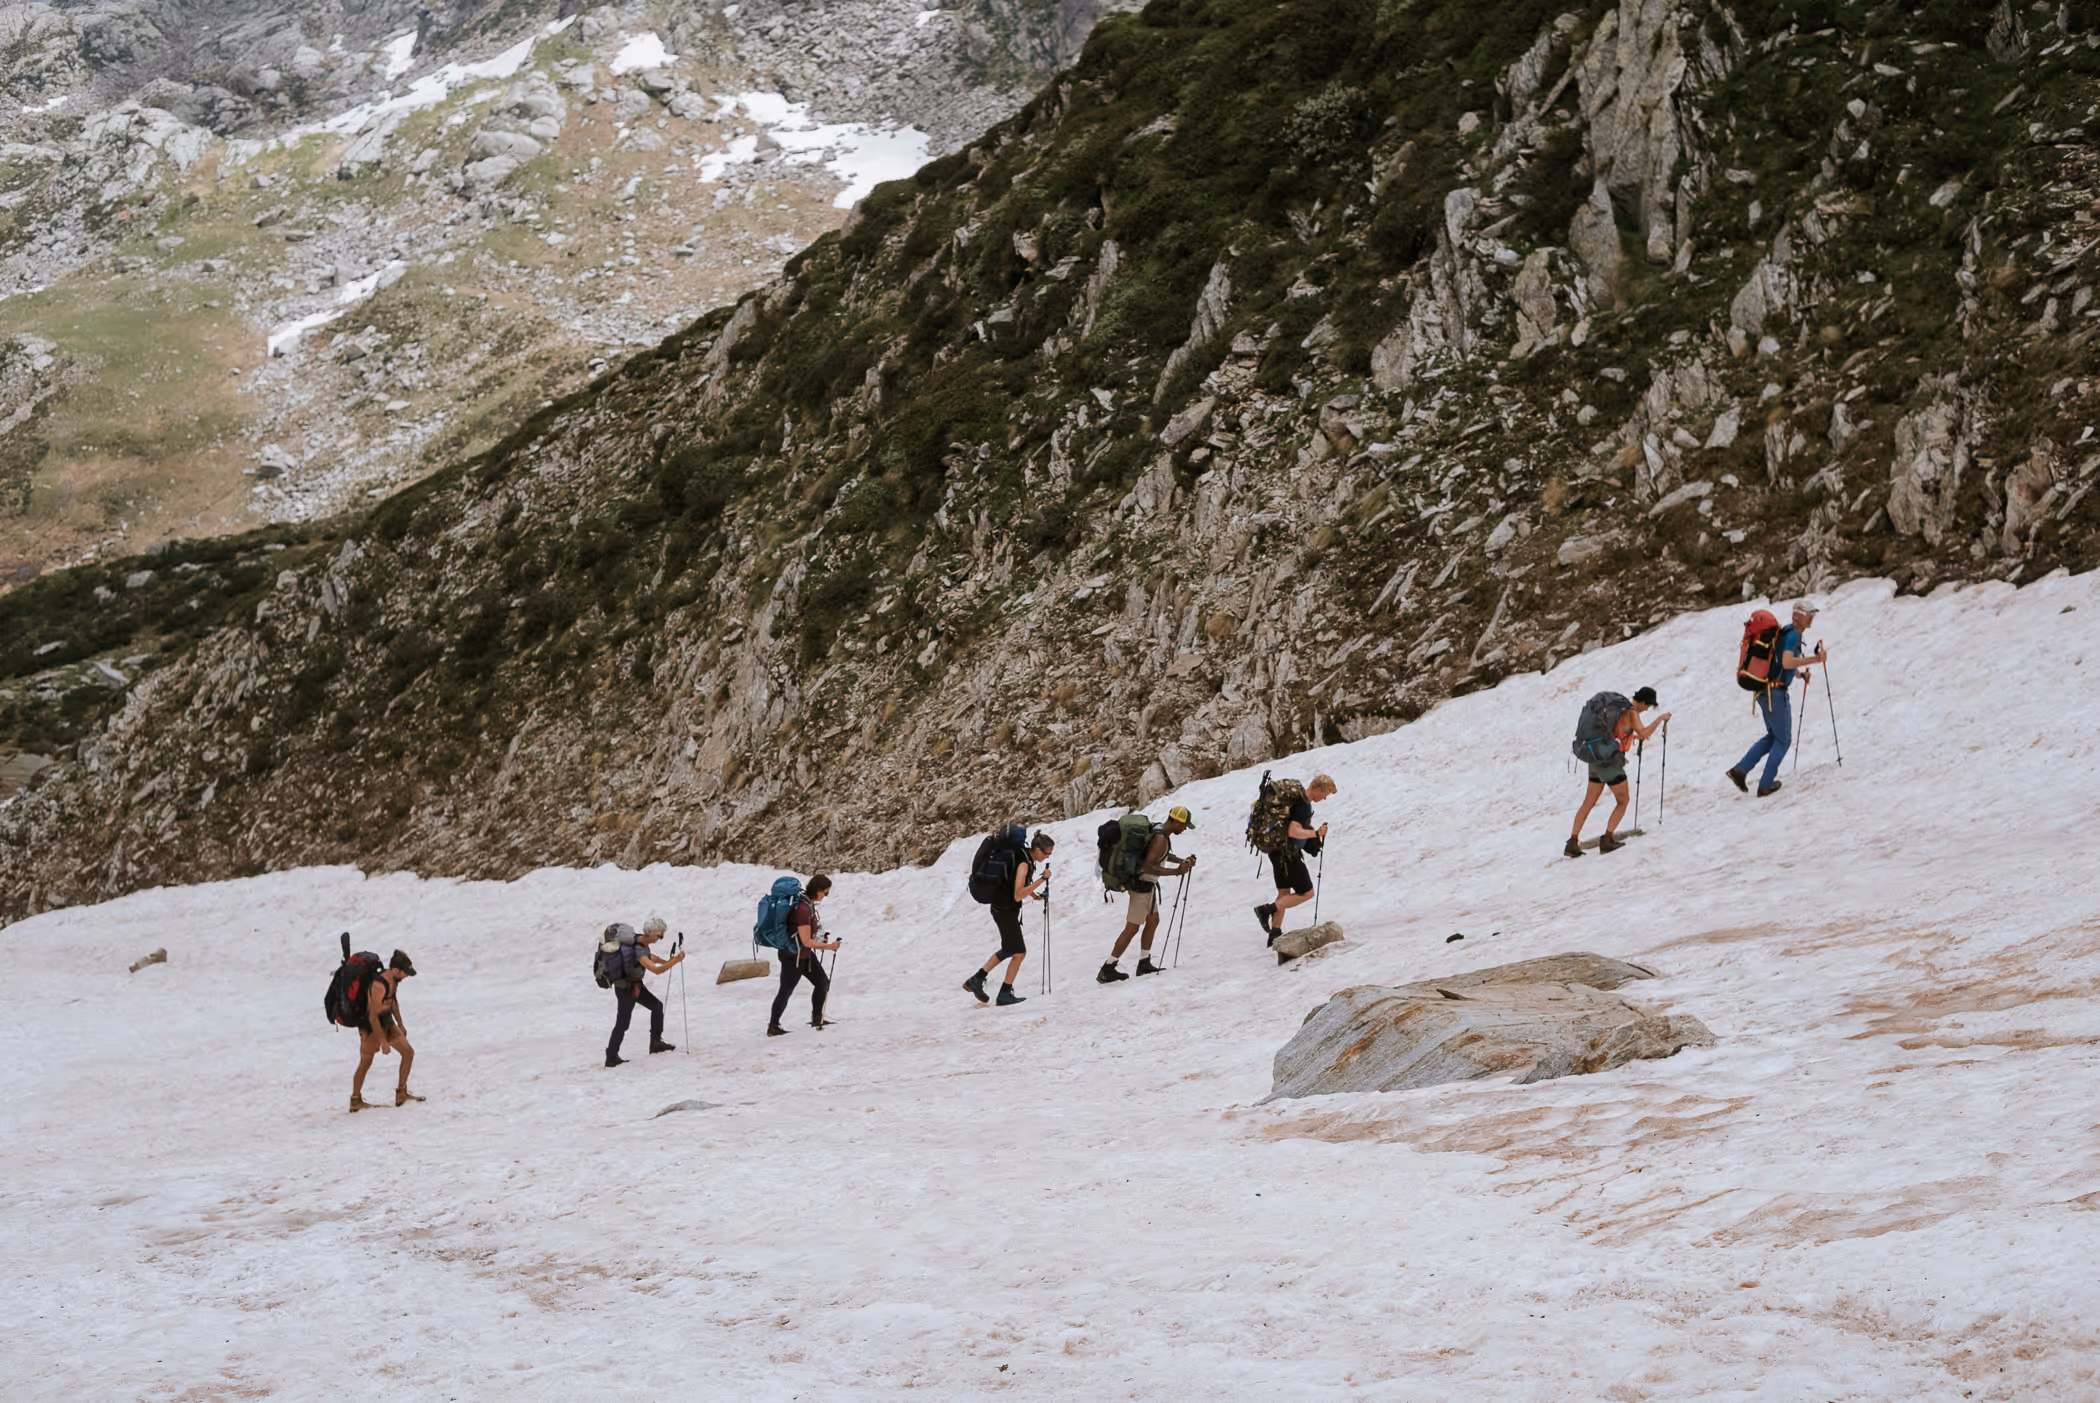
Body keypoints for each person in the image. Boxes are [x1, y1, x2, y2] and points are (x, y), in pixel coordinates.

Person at [1727, 600, 1826, 798]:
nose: (1811, 617)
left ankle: (1740, 770)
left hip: (1766, 691)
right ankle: (1765, 784)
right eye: (1808, 614)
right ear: (1797, 615)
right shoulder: (1793, 635)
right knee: (1783, 740)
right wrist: (1815, 659)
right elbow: (1787, 662)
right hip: (1775, 694)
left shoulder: (1786, 633)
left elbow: (1779, 662)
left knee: (1773, 737)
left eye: (1812, 614)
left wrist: (1799, 675)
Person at [1566, 688, 1670, 857]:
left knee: (1588, 803)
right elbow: (1644, 734)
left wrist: (1631, 737)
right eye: (1648, 706)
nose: (1646, 710)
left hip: (1596, 759)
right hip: (1610, 762)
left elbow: (1617, 733)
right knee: (1623, 800)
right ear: (1644, 703)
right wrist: (1660, 719)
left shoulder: (1619, 708)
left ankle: (1572, 843)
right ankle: (1607, 840)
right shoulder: (1632, 712)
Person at [1098, 806, 1198, 983]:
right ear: (1176, 821)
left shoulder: (1159, 830)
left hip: (1146, 884)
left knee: (1153, 919)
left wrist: (1181, 861)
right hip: (1141, 885)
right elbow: (1148, 866)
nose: (1184, 829)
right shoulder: (1160, 838)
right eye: (1184, 825)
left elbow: (1162, 855)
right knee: (1132, 928)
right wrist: (1177, 872)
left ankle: (1144, 963)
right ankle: (1108, 968)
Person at [965, 831, 1054, 1007]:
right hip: (1005, 911)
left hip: (1002, 908)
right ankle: (1004, 993)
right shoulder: (1023, 863)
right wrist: (1042, 879)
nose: (1047, 857)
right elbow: (1018, 894)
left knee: (1008, 949)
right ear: (1037, 849)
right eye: (1046, 853)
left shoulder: (1023, 856)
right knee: (1019, 953)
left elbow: (1016, 884)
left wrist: (1035, 895)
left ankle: (977, 979)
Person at [1254, 775, 1336, 946]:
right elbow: (1293, 831)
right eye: (1325, 794)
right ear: (1318, 789)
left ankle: (1274, 934)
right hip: (1288, 853)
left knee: (1284, 893)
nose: (1325, 798)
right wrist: (1316, 834)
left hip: (1276, 850)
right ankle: (1266, 910)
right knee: (1307, 892)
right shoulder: (1303, 805)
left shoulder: (1295, 801)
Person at [605, 918, 684, 1067]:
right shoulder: (637, 949)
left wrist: (667, 961)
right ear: (653, 934)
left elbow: (650, 957)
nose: (660, 939)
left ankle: (656, 1043)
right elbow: (655, 970)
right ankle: (611, 1057)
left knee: (657, 1006)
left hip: (634, 985)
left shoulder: (639, 940)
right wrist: (674, 962)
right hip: (627, 988)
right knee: (622, 1023)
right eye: (660, 936)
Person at [768, 875, 841, 1036]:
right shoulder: (802, 909)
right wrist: (829, 947)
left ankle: (817, 1018)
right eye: (825, 892)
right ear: (818, 890)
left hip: (804, 954)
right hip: (792, 957)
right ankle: (773, 1026)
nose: (826, 896)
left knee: (822, 982)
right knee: (786, 991)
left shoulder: (808, 905)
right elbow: (806, 941)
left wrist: (821, 939)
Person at [351, 950, 419, 1112]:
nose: (406, 976)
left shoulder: (394, 980)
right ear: (395, 970)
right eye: (404, 973)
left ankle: (401, 1092)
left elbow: (393, 1001)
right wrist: (382, 1041)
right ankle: (355, 1100)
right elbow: (373, 1016)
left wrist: (400, 1024)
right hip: (370, 1027)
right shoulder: (378, 985)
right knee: (366, 1062)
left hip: (387, 1021)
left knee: (408, 1053)